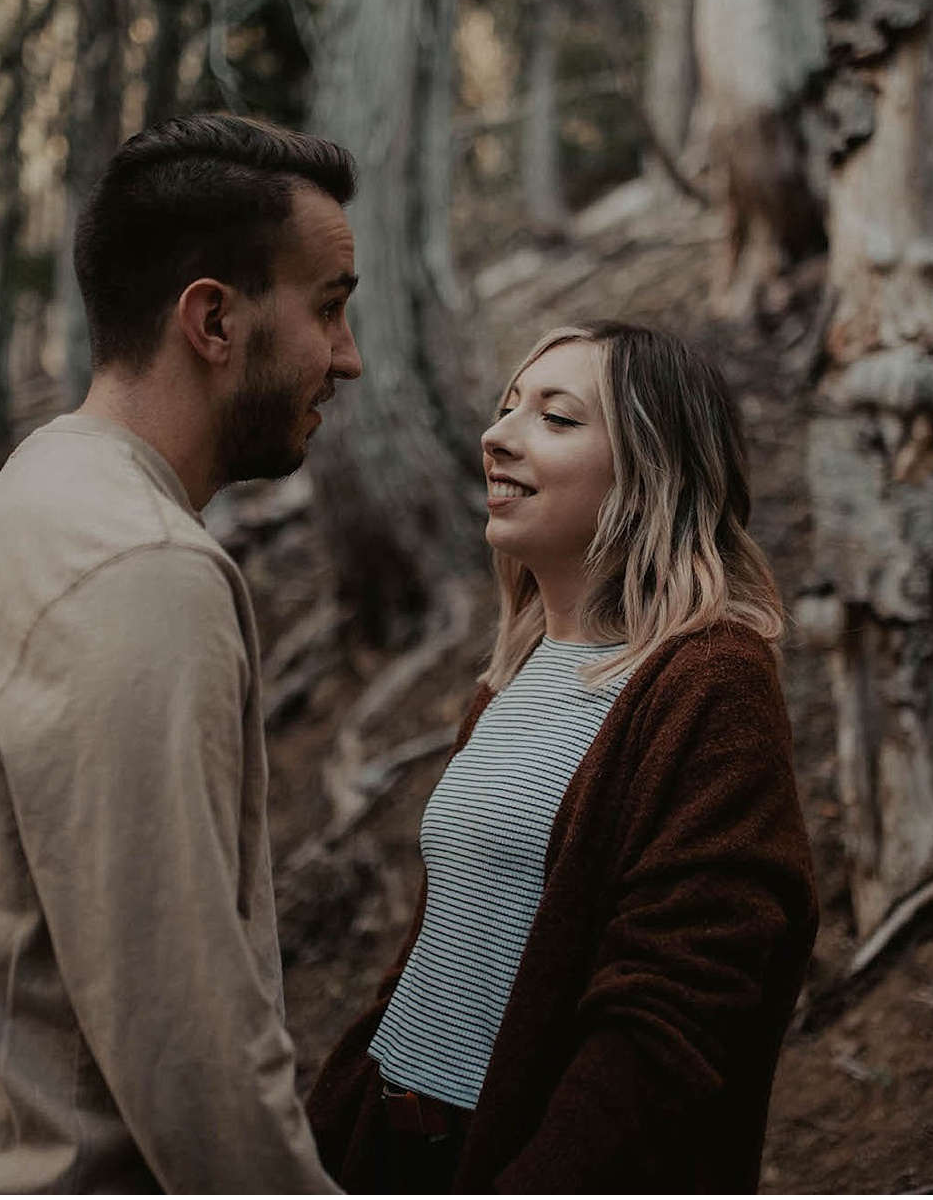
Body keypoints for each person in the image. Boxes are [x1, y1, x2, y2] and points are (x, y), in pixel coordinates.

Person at [0, 115, 360, 1193]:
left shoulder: (35, 497)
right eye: (328, 308)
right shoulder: (138, 567)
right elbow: (189, 1039)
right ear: (212, 319)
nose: (349, 356)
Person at [306, 320, 819, 1192]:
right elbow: (445, 947)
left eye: (556, 417)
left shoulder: (709, 681)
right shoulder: (511, 676)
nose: (496, 436)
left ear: (652, 469)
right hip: (388, 1148)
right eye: (508, 407)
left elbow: (672, 1016)